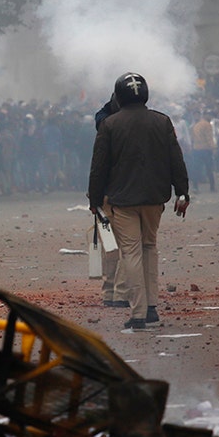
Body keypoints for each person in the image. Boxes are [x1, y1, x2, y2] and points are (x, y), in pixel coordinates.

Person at [88, 72, 189, 330]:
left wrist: (95, 199)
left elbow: (98, 167)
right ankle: (152, 307)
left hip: (123, 200)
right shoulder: (162, 121)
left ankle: (138, 313)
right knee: (149, 248)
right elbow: (176, 159)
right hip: (155, 198)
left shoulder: (109, 125)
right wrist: (182, 192)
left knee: (130, 252)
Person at [93, 94, 129, 308]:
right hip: (125, 197)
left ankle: (109, 292)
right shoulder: (132, 133)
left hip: (106, 197)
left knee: (110, 247)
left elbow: (96, 170)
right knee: (129, 246)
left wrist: (94, 198)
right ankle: (120, 292)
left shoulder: (103, 130)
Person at [190, 111, 217, 193]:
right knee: (208, 169)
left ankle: (196, 187)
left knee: (197, 168)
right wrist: (213, 147)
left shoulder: (196, 125)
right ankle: (212, 186)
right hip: (203, 149)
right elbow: (209, 137)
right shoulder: (205, 125)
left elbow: (193, 138)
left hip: (199, 149)